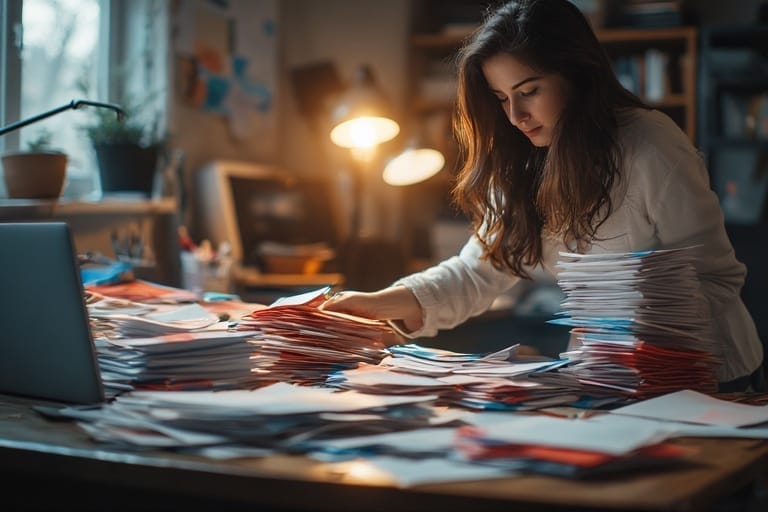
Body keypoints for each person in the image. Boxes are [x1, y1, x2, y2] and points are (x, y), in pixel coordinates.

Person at [322, 0, 765, 392]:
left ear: (576, 74)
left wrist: (630, 336)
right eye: (501, 98)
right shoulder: (521, 158)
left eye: (529, 91)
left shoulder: (650, 145)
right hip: (602, 379)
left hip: (710, 376)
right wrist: (379, 303)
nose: (515, 116)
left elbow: (716, 280)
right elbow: (477, 273)